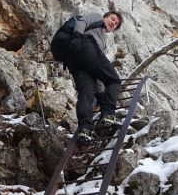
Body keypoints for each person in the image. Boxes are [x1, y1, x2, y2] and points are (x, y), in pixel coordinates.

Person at [51, 11, 124, 143]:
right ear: (105, 17)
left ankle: (85, 129)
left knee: (86, 93)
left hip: (73, 59)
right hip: (85, 46)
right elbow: (81, 21)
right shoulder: (96, 17)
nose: (113, 23)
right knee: (114, 80)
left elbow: (97, 74)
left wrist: (101, 94)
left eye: (116, 24)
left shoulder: (102, 36)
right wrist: (78, 37)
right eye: (112, 19)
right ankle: (108, 113)